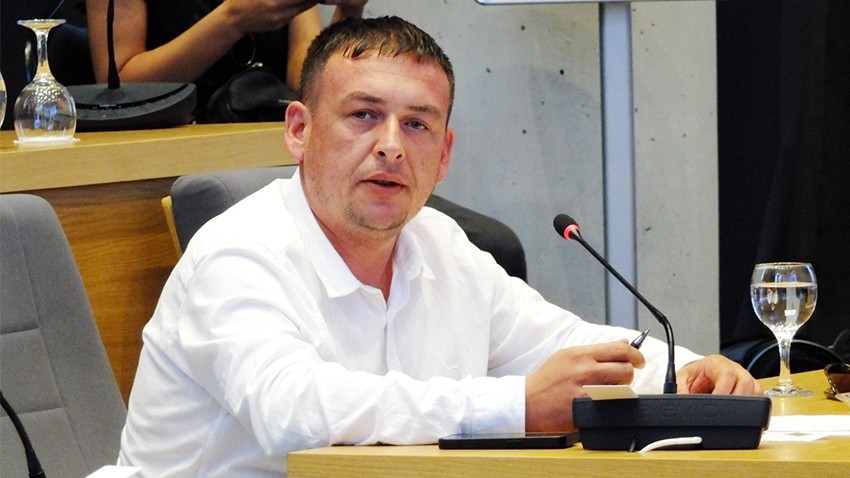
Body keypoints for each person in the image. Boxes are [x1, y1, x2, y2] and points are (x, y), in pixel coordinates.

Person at [118, 16, 761, 477]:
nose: (392, 146)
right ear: (299, 130)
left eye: (417, 124)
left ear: (445, 154)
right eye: (364, 115)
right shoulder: (238, 252)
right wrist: (517, 405)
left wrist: (689, 375)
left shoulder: (438, 243)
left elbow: (563, 342)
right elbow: (296, 414)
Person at [85, 0, 367, 121]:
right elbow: (121, 86)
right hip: (165, 146)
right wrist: (232, 21)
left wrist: (350, 10)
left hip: (267, 139)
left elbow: (304, 81)